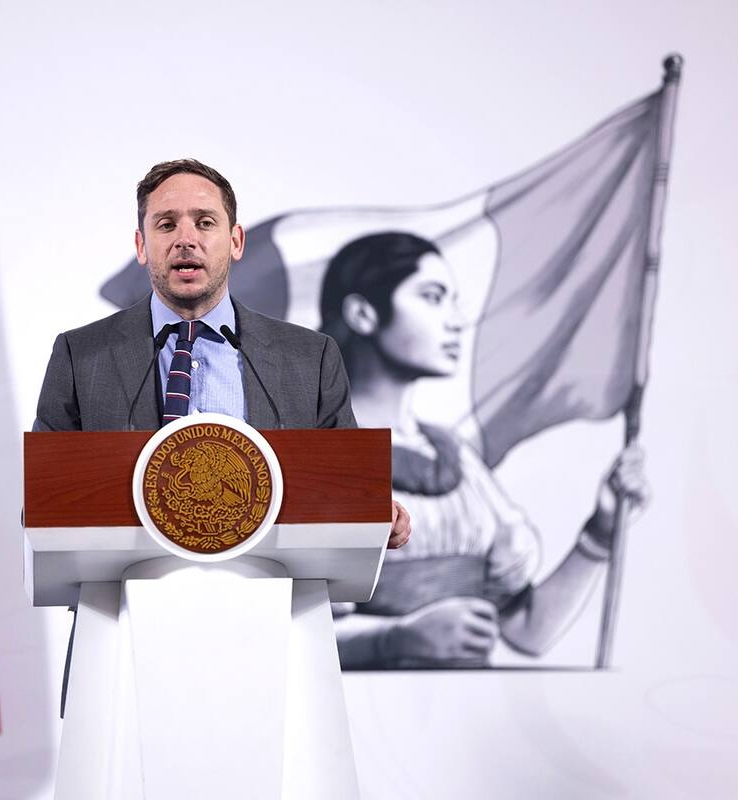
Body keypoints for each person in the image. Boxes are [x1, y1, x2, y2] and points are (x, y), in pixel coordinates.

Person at [34, 157, 411, 546]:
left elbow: (346, 490)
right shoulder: (80, 357)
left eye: (205, 222)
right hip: (131, 581)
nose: (186, 239)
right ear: (141, 246)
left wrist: (374, 514)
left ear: (236, 242)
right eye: (166, 225)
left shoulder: (311, 358)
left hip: (271, 580)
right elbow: (42, 504)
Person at [320, 232, 649, 668]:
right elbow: (289, 630)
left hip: (465, 705)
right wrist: (395, 638)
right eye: (432, 297)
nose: (457, 321)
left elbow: (528, 631)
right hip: (363, 705)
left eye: (453, 301)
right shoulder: (320, 450)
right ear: (363, 314)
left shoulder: (455, 456)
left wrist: (602, 529)